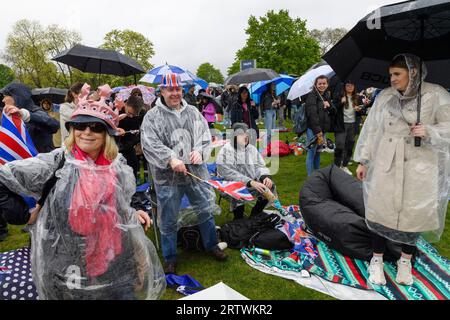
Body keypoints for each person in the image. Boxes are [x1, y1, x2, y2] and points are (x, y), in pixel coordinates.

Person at [0, 92, 166, 300]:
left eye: (96, 127)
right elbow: (2, 178)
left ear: (107, 133)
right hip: (69, 267)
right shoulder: (57, 163)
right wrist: (23, 215)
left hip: (116, 262)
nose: (87, 132)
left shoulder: (117, 166)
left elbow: (120, 205)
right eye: (80, 125)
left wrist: (133, 213)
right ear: (72, 130)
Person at [355, 53, 450, 286]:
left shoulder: (436, 94)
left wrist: (429, 131)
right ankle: (376, 260)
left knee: (413, 214)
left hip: (421, 164)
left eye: (397, 74)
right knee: (379, 210)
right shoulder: (385, 97)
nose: (392, 79)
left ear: (413, 72)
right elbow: (373, 130)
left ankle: (405, 261)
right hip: (386, 161)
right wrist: (364, 160)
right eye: (390, 75)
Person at [141, 73, 228, 275]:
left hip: (195, 173)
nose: (175, 93)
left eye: (178, 89)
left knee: (205, 209)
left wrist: (199, 150)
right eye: (170, 89)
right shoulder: (152, 117)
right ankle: (170, 257)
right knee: (168, 218)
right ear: (162, 91)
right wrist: (170, 158)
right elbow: (150, 143)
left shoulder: (193, 112)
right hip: (167, 177)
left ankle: (212, 245)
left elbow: (204, 135)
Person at [217, 123, 274, 220]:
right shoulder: (225, 151)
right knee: (238, 191)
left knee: (269, 186)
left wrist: (264, 177)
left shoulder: (251, 149)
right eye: (241, 134)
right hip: (229, 185)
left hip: (251, 182)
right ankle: (238, 219)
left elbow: (259, 166)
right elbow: (228, 174)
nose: (246, 136)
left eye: (246, 134)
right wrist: (250, 182)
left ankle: (255, 215)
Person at [0, 83, 60, 153]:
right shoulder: (11, 115)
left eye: (5, 96)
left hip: (41, 161)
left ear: (16, 97)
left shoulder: (34, 111)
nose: (3, 100)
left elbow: (53, 124)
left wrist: (24, 114)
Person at [305, 76, 336, 176]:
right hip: (314, 130)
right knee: (311, 153)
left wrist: (329, 105)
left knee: (318, 152)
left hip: (323, 130)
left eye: (324, 83)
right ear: (316, 84)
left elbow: (334, 112)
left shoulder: (326, 95)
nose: (322, 85)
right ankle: (311, 177)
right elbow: (312, 115)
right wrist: (318, 132)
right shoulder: (312, 96)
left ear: (327, 84)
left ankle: (317, 174)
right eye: (320, 83)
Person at [333, 81, 365, 175]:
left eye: (352, 85)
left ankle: (344, 165)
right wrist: (340, 103)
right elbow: (333, 109)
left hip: (353, 124)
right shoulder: (339, 96)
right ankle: (337, 166)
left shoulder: (357, 97)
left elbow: (361, 111)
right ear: (344, 87)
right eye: (348, 85)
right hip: (341, 125)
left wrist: (360, 109)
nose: (350, 87)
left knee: (350, 145)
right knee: (340, 145)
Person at [116, 95, 146, 179]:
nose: (131, 116)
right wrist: (116, 124)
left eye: (134, 115)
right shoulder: (117, 111)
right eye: (129, 113)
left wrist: (138, 142)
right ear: (126, 104)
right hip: (117, 149)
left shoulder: (142, 114)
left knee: (132, 174)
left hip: (130, 148)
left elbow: (142, 131)